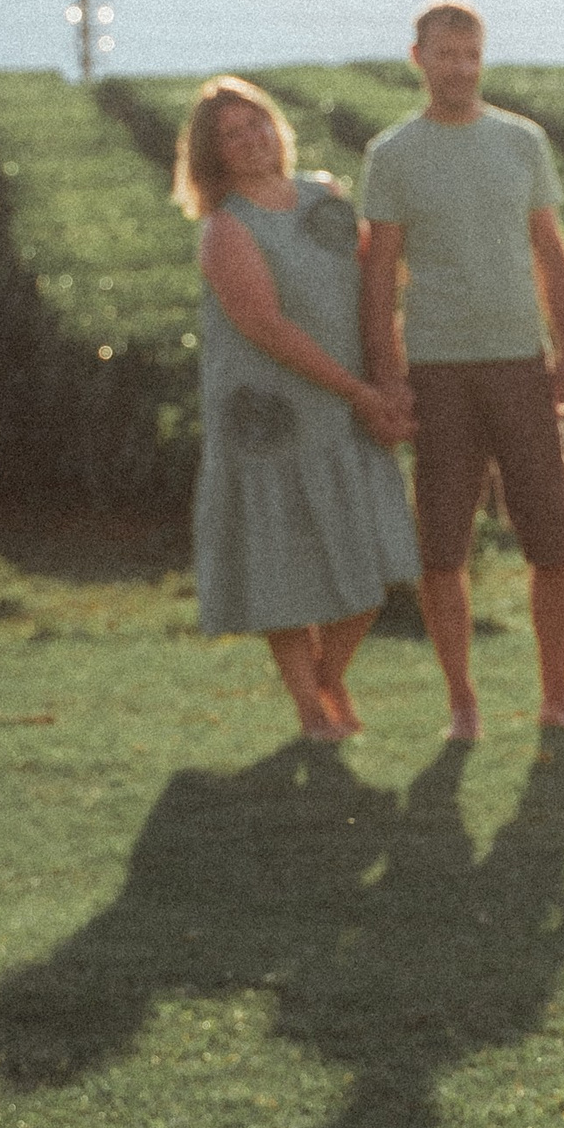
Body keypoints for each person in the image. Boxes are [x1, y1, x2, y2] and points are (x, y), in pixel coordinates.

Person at [357, 0, 564, 741]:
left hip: (522, 368)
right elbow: (379, 276)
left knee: (553, 542)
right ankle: (463, 705)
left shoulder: (521, 142)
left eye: (471, 54)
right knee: (443, 549)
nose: (459, 67)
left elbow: (553, 255)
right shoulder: (392, 154)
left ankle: (556, 697)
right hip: (438, 372)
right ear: (417, 57)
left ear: (481, 58)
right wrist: (390, 377)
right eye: (444, 54)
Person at [177, 76, 420, 740]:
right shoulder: (226, 229)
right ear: (213, 154)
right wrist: (360, 391)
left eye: (256, 123)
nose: (250, 139)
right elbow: (266, 328)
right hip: (272, 419)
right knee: (281, 565)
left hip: (349, 407)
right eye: (231, 134)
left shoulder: (327, 199)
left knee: (374, 562)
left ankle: (328, 677)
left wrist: (389, 382)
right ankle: (312, 710)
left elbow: (376, 295)